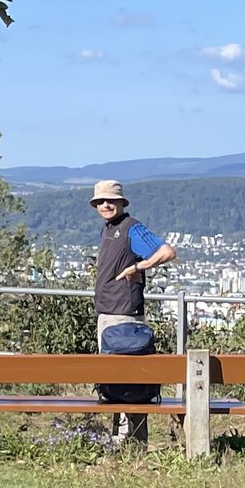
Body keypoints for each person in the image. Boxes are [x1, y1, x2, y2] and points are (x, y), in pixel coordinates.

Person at [90, 178, 177, 444]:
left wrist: (138, 268)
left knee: (128, 379)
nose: (106, 205)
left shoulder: (131, 228)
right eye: (101, 201)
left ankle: (132, 440)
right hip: (109, 312)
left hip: (123, 314)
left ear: (121, 203)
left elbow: (166, 252)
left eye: (111, 200)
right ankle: (123, 438)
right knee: (116, 380)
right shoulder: (110, 229)